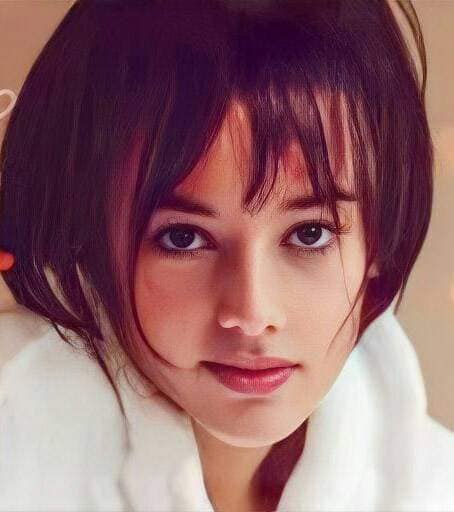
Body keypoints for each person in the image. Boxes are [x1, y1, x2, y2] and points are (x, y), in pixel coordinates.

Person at [0, 1, 453, 510]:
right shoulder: (15, 439)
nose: (253, 314)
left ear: (379, 237)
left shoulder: (431, 485)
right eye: (183, 239)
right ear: (87, 234)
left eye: (309, 234)